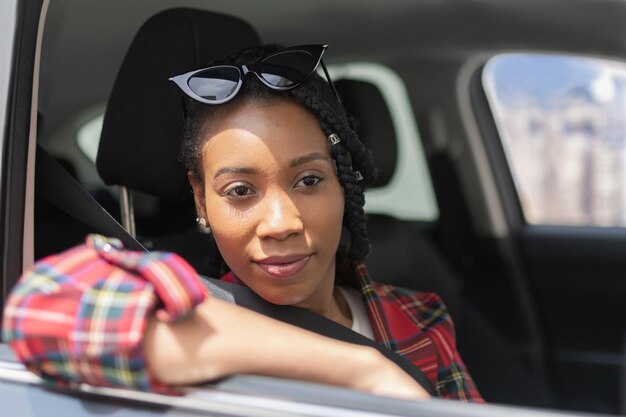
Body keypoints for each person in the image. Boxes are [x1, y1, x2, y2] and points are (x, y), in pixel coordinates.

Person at [3, 44, 482, 402]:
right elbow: (38, 309)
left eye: (309, 179)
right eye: (240, 191)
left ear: (345, 182)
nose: (280, 223)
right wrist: (362, 369)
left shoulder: (421, 319)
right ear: (201, 198)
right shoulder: (186, 318)